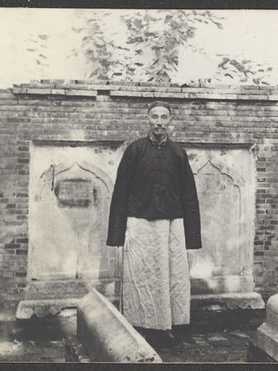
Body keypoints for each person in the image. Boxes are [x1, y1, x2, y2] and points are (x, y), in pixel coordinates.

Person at [106, 101, 202, 346]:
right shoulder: (135, 150)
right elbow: (121, 192)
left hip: (172, 224)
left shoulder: (178, 153)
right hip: (140, 222)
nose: (159, 122)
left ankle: (168, 326)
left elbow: (189, 196)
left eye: (164, 117)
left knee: (172, 275)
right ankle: (141, 325)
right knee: (141, 275)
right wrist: (116, 237)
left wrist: (192, 239)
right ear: (147, 119)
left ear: (170, 120)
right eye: (154, 116)